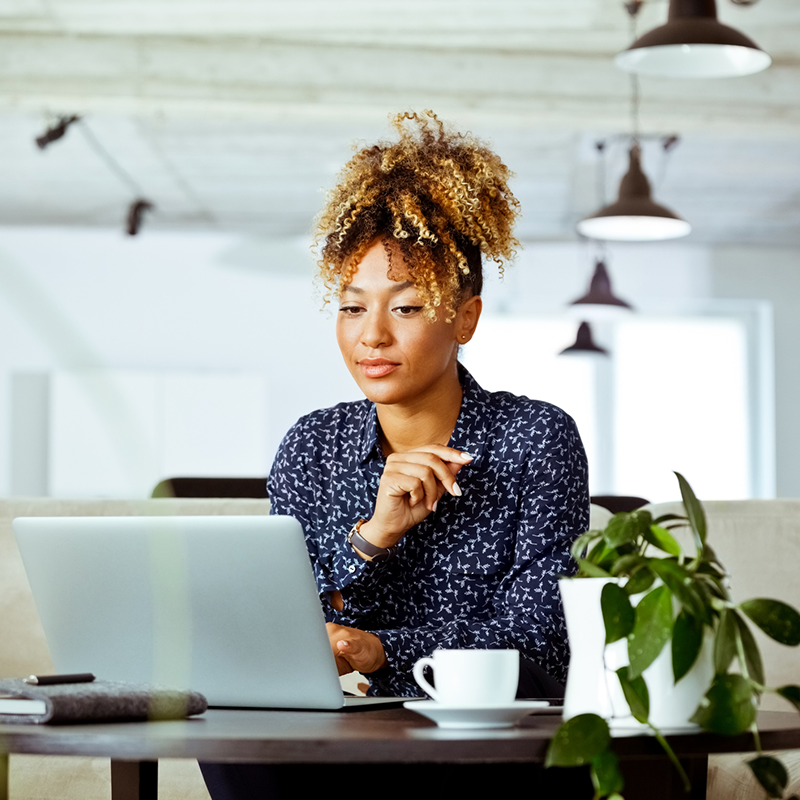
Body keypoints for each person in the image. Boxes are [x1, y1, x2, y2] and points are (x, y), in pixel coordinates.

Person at [201, 110, 589, 798]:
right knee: (227, 741)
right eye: (352, 308)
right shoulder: (312, 445)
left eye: (405, 309)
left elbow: (544, 646)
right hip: (336, 744)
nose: (371, 335)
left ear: (465, 317)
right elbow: (280, 630)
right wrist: (372, 538)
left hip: (484, 751)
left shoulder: (536, 438)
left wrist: (383, 649)